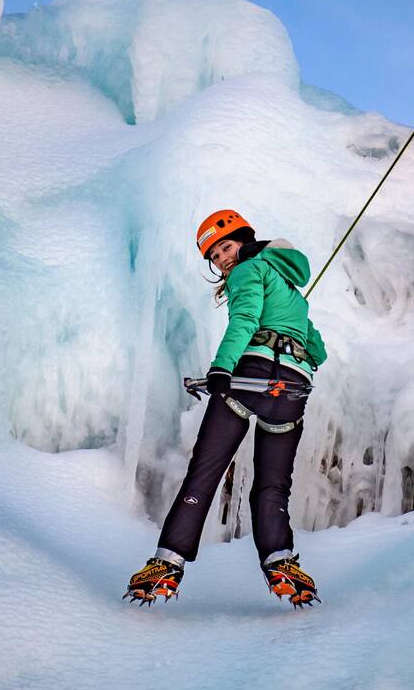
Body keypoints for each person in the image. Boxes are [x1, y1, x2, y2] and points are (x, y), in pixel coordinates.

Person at [125, 208, 327, 608]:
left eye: (226, 247)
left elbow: (246, 317)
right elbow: (317, 349)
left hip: (251, 374)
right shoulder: (287, 282)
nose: (222, 260)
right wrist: (292, 320)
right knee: (273, 485)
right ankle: (281, 563)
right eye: (215, 257)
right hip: (291, 389)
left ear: (245, 240)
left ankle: (167, 563)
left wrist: (221, 367)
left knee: (205, 471)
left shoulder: (247, 271)